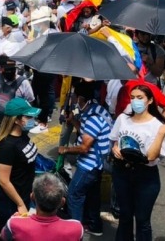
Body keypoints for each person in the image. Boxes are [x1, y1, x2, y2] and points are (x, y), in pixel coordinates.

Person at [110, 84, 165, 241]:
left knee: (143, 220)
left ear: (150, 100)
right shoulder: (123, 118)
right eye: (132, 98)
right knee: (125, 217)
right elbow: (115, 140)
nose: (135, 101)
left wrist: (161, 133)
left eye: (140, 98)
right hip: (122, 172)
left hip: (145, 176)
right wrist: (115, 148)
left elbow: (151, 156)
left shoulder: (156, 125)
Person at [58, 85, 112, 237]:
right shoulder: (95, 110)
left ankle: (75, 232)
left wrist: (66, 149)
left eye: (76, 98)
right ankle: (94, 225)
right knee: (92, 194)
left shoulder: (94, 118)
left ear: (82, 99)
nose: (74, 101)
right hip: (96, 165)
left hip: (89, 165)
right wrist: (74, 121)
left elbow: (85, 147)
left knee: (74, 195)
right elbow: (86, 131)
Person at [0, 97, 39, 231]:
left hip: (24, 196)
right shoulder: (7, 146)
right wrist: (20, 204)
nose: (32, 119)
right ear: (17, 120)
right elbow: (3, 180)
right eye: (28, 116)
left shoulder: (23, 136)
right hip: (11, 203)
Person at [0, 173, 84, 241]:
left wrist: (16, 219)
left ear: (32, 197)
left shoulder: (14, 224)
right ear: (62, 202)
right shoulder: (76, 228)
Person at [0, 60, 35, 142]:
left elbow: (29, 102)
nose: (10, 72)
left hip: (12, 126)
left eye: (12, 69)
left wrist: (26, 122)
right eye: (7, 70)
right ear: (1, 69)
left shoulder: (23, 83)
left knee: (7, 146)